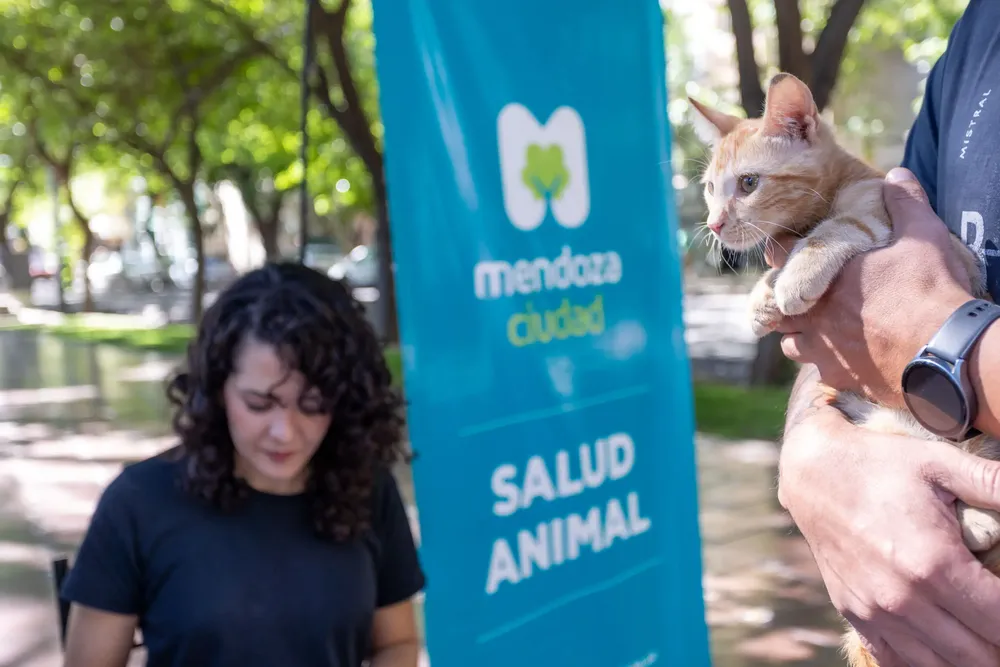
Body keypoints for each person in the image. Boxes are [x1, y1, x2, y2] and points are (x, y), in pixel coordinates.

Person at [767, 2, 1000, 666]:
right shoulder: (980, 27)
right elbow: (871, 299)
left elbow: (908, 316)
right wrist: (813, 451)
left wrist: (949, 342)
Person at [59, 262, 425, 667]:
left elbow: (396, 642)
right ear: (216, 390)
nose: (284, 432)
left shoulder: (367, 489)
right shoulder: (138, 504)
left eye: (313, 405)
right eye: (259, 403)